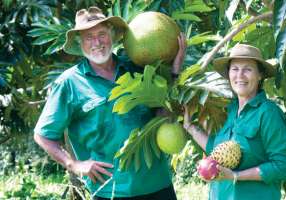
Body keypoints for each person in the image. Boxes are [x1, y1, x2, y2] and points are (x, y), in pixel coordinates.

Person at [34, 7, 186, 200]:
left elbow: (161, 114)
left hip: (157, 184)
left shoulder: (138, 69)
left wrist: (175, 72)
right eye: (89, 37)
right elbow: (43, 135)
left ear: (112, 36)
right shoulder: (69, 83)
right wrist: (74, 164)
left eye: (102, 34)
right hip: (110, 190)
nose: (97, 43)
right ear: (80, 43)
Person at [183, 44, 286, 200]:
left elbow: (283, 166)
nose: (239, 75)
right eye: (234, 69)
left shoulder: (268, 113)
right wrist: (189, 127)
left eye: (247, 69)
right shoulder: (231, 110)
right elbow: (216, 149)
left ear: (260, 74)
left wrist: (236, 175)